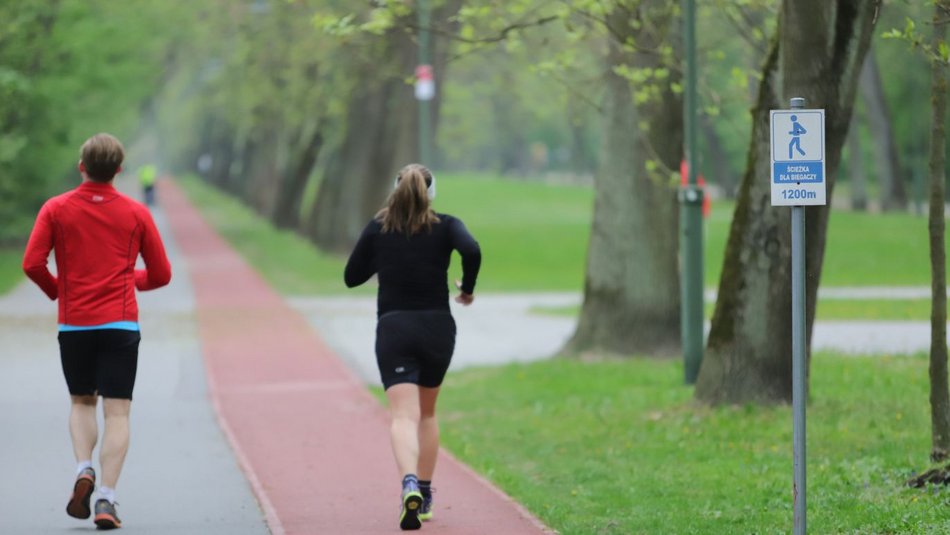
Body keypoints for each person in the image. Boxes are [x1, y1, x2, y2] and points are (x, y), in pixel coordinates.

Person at [22, 133, 172, 530]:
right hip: (120, 324)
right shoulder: (137, 213)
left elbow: (32, 263)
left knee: (82, 403)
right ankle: (106, 497)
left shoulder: (56, 209)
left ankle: (83, 468)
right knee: (118, 411)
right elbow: (162, 274)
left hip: (75, 325)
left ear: (81, 166)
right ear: (120, 170)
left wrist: (61, 291)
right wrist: (131, 280)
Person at [344, 163, 481, 531]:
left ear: (396, 188)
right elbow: (472, 249)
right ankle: (425, 492)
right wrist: (467, 288)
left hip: (395, 328)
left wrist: (384, 258)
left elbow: (351, 277)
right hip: (437, 328)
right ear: (430, 193)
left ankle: (407, 484)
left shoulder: (379, 227)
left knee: (404, 416)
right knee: (428, 414)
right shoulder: (448, 225)